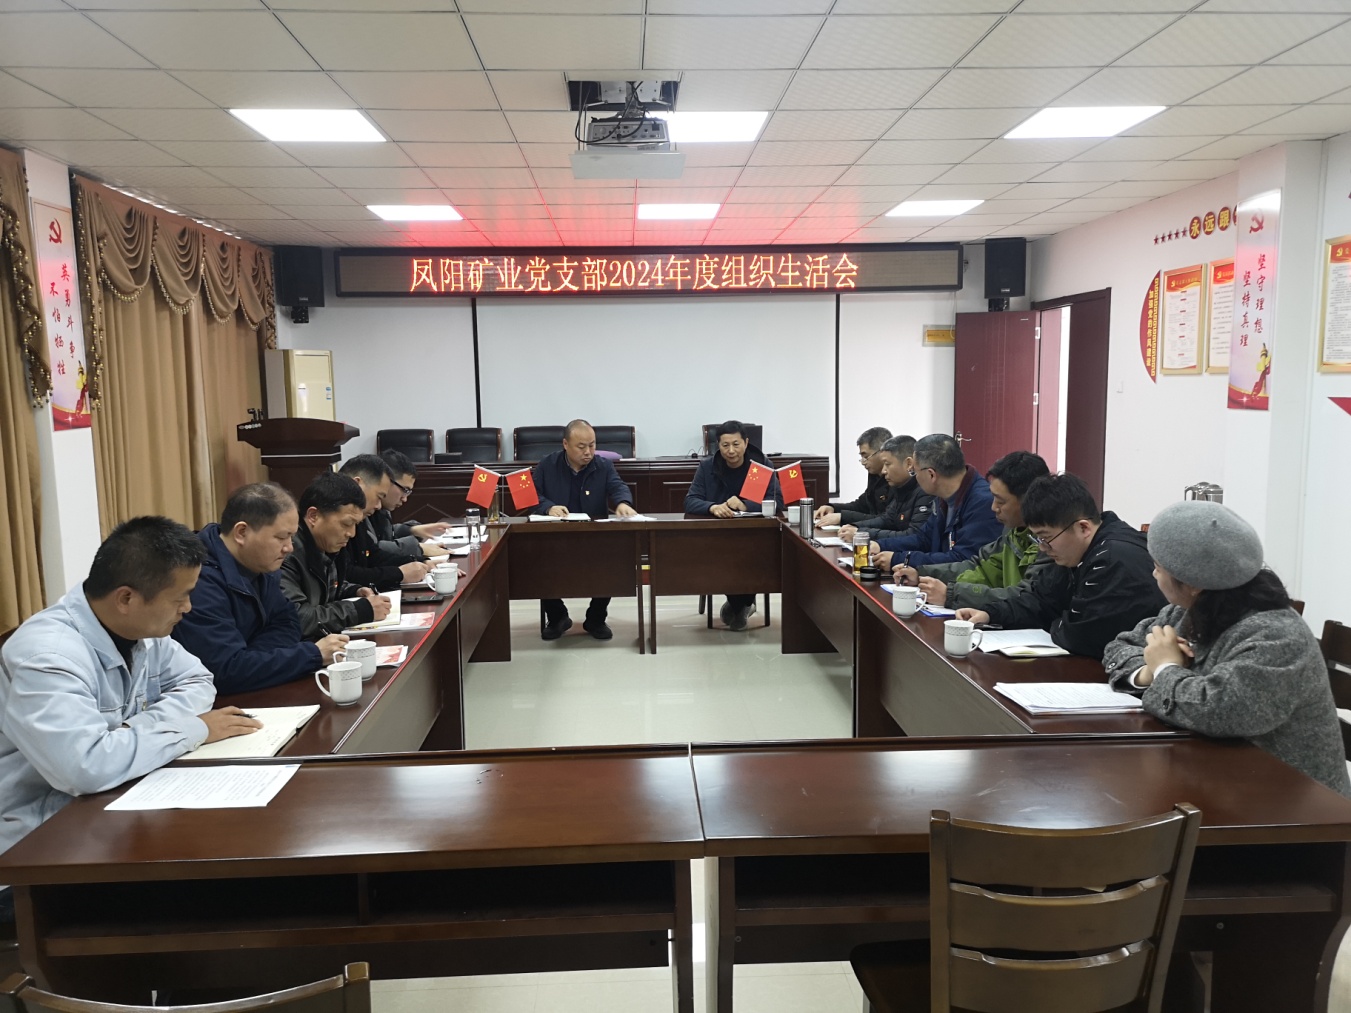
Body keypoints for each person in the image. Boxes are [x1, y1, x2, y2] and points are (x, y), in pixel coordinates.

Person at [0, 517, 262, 916]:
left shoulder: (141, 632)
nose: (188, 608)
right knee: (218, 893)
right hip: (33, 850)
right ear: (126, 598)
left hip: (107, 812)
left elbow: (198, 680)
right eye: (180, 598)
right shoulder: (47, 656)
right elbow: (85, 767)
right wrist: (191, 729)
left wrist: (129, 733)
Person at [1104, 501, 1350, 797]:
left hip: (1293, 806)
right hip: (1220, 777)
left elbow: (1219, 712)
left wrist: (1165, 668)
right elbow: (1120, 647)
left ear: (1193, 583)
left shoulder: (1278, 635)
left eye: (1157, 567)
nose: (1154, 575)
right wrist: (1147, 671)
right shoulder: (1184, 610)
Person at [956, 473, 1165, 659]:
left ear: (1083, 528)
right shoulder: (1076, 551)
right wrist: (990, 614)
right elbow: (1041, 600)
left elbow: (1083, 636)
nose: (1043, 548)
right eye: (1038, 539)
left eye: (1046, 538)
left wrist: (1056, 621)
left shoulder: (1115, 558)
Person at [173, 483, 349, 695]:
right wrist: (312, 655)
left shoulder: (261, 565)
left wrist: (252, 657)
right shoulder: (198, 582)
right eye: (281, 537)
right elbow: (225, 671)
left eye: (292, 536)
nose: (289, 547)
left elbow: (288, 622)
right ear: (242, 532)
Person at [892, 450, 1051, 610]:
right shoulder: (1012, 531)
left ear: (1029, 500)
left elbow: (1028, 598)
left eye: (1001, 502)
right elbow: (980, 568)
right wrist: (920, 574)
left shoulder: (1050, 541)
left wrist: (951, 595)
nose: (993, 507)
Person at [530, 419, 638, 641]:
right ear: (565, 444)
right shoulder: (547, 465)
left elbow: (618, 486)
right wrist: (548, 507)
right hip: (555, 538)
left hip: (594, 536)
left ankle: (596, 619)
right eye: (581, 447)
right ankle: (557, 617)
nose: (588, 452)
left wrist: (622, 502)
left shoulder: (603, 466)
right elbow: (531, 495)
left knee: (612, 561)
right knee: (538, 561)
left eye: (592, 445)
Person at [685, 420, 784, 632]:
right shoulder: (708, 467)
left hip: (754, 537)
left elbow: (777, 502)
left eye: (736, 444)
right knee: (726, 555)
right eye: (725, 445)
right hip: (718, 537)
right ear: (718, 446)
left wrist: (747, 505)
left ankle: (739, 605)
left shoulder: (761, 465)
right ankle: (743, 605)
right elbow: (691, 500)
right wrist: (712, 507)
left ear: (746, 443)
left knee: (749, 554)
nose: (731, 451)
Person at [280, 472, 392, 639]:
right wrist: (359, 610)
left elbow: (325, 588)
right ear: (313, 516)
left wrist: (353, 591)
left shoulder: (325, 544)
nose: (352, 533)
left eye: (356, 525)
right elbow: (298, 618)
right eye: (346, 524)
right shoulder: (286, 553)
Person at [869, 434, 1003, 570]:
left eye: (914, 472)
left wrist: (900, 559)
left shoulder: (983, 503)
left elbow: (963, 560)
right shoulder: (943, 496)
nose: (915, 478)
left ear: (931, 475)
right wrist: (881, 545)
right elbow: (923, 539)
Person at [337, 455, 433, 592]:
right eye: (379, 496)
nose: (378, 506)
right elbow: (346, 574)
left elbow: (373, 555)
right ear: (358, 485)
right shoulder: (333, 516)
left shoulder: (360, 517)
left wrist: (418, 561)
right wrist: (399, 574)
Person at [838, 434, 934, 543]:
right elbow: (886, 520)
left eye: (887, 464)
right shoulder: (901, 488)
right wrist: (854, 527)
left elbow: (914, 536)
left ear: (908, 464)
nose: (883, 471)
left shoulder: (925, 491)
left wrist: (861, 533)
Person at [374, 449, 450, 560]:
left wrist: (413, 530)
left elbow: (387, 533)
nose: (404, 499)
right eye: (404, 490)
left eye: (408, 492)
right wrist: (418, 548)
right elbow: (372, 549)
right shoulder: (363, 509)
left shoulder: (383, 509)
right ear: (386, 481)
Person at [813, 426, 892, 528]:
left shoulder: (897, 480)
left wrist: (842, 517)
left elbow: (884, 519)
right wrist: (833, 507)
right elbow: (861, 505)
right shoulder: (875, 476)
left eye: (866, 456)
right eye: (861, 457)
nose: (863, 462)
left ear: (882, 453)